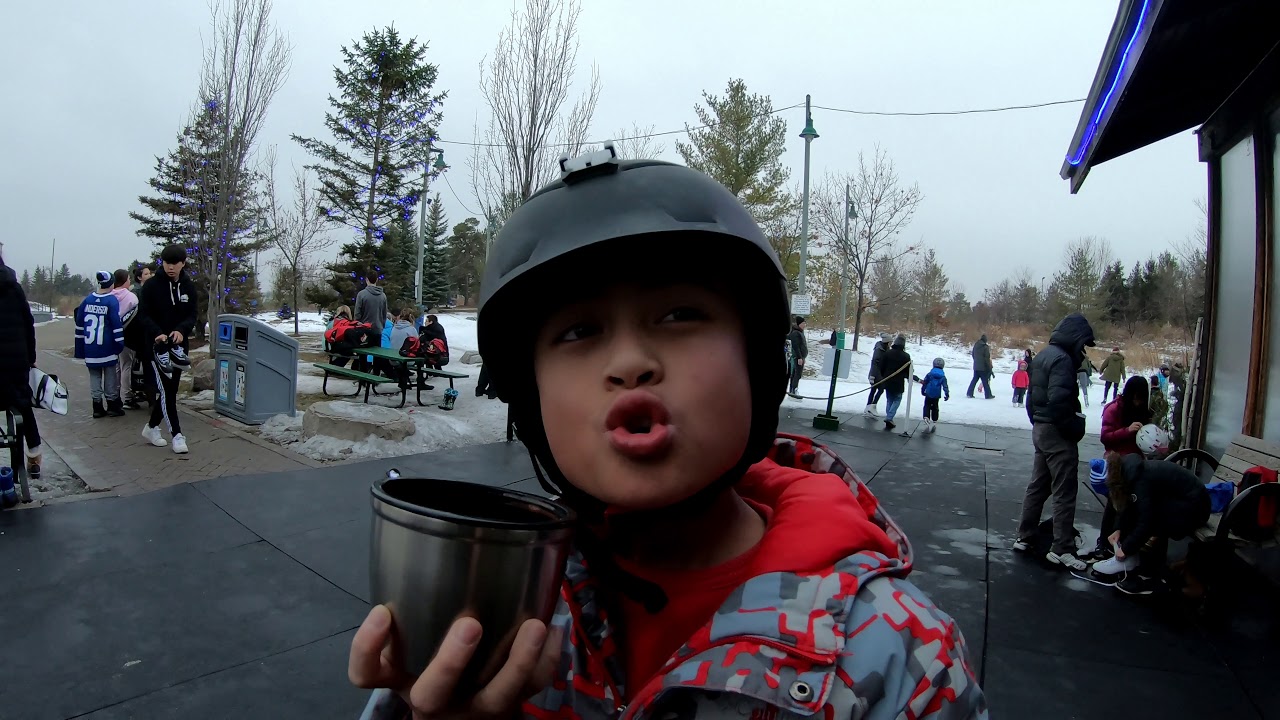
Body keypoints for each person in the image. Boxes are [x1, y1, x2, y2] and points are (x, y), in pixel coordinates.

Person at [347, 155, 986, 719]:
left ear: (758, 365)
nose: (629, 362)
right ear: (531, 401)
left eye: (680, 315)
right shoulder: (484, 606)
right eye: (577, 332)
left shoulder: (900, 659)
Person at [1014, 312, 1096, 571]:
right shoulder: (1062, 360)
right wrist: (1075, 427)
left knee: (1038, 485)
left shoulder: (1043, 355)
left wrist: (1037, 421)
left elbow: (1031, 398)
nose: (1083, 350)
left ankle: (1024, 536)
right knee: (1064, 490)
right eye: (1082, 344)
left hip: (1041, 428)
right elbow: (1060, 401)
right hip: (1057, 432)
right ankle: (1061, 548)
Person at [1090, 451, 1211, 595]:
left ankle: (1151, 577)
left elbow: (1146, 521)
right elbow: (1122, 507)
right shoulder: (1128, 472)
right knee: (1137, 510)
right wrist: (1117, 530)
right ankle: (1137, 563)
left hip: (1195, 508)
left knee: (1149, 517)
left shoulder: (1140, 482)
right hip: (1186, 501)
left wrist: (1126, 548)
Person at [1080, 375, 1152, 563]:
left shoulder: (1145, 411)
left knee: (1130, 506)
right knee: (1114, 504)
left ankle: (1121, 544)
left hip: (1137, 463)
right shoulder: (1114, 409)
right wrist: (1127, 431)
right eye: (1135, 398)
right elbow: (1106, 437)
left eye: (1141, 398)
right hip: (1116, 462)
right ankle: (1104, 543)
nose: (1138, 402)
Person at [138, 244, 196, 454]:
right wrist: (157, 333)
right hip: (156, 348)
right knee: (166, 392)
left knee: (170, 391)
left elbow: (192, 314)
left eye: (175, 263)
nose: (171, 267)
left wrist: (181, 330)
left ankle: (151, 428)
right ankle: (177, 435)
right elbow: (143, 315)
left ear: (183, 263)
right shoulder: (151, 286)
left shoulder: (188, 286)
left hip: (179, 347)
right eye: (167, 263)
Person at [0, 255, 42, 490]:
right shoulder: (14, 288)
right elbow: (29, 324)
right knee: (23, 406)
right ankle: (34, 453)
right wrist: (31, 358)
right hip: (16, 363)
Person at [74, 271, 126, 419]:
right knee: (110, 376)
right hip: (107, 347)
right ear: (111, 284)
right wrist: (119, 343)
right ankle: (112, 405)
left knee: (94, 377)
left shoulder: (87, 300)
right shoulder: (111, 301)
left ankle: (97, 406)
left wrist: (80, 348)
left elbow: (79, 324)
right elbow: (116, 324)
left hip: (91, 348)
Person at [111, 269, 139, 410]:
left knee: (115, 367)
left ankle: (114, 394)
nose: (130, 281)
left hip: (111, 336)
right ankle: (127, 397)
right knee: (126, 366)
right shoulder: (131, 298)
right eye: (128, 278)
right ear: (124, 280)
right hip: (128, 337)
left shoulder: (109, 296)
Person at [879, 334, 911, 431]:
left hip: (887, 380)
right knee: (897, 399)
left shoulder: (888, 353)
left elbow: (881, 366)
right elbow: (908, 371)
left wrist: (883, 376)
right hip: (898, 382)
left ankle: (889, 417)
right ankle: (889, 418)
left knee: (889, 399)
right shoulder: (906, 356)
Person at [863, 332, 891, 417]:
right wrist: (872, 375)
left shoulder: (883, 349)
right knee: (881, 389)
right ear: (887, 342)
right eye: (890, 342)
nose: (891, 343)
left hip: (878, 373)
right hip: (876, 374)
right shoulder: (879, 350)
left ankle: (868, 407)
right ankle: (872, 406)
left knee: (874, 390)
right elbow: (874, 363)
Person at [920, 357, 950, 432]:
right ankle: (935, 419)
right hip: (937, 394)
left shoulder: (930, 374)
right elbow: (945, 386)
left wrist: (923, 390)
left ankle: (926, 416)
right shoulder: (943, 376)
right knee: (935, 406)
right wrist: (947, 394)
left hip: (929, 393)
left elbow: (925, 382)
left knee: (927, 405)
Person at [355, 270, 389, 336]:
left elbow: (357, 314)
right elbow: (384, 314)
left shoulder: (361, 294)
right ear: (377, 280)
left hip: (364, 330)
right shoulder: (383, 296)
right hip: (378, 330)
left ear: (366, 279)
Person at [966, 333, 994, 399]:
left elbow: (973, 355)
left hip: (976, 366)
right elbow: (987, 358)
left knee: (974, 380)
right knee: (985, 382)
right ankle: (988, 395)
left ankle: (969, 393)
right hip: (983, 368)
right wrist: (989, 367)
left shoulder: (976, 345)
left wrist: (976, 362)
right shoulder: (985, 347)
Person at [786, 316, 807, 396]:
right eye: (803, 323)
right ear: (799, 324)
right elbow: (796, 346)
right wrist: (799, 357)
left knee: (796, 374)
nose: (805, 325)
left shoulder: (800, 332)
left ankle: (793, 390)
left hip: (801, 357)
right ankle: (794, 390)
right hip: (797, 357)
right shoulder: (796, 333)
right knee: (797, 374)